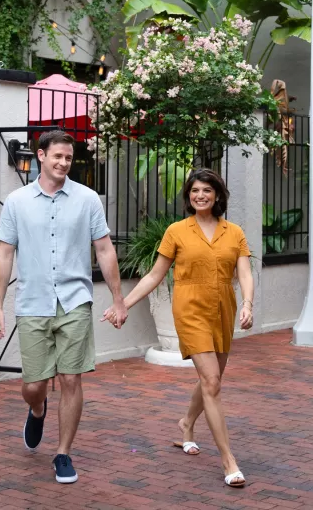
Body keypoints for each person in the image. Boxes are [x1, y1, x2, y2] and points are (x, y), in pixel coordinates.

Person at [103, 168, 254, 488]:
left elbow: (244, 271)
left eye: (207, 191)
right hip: (190, 312)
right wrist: (123, 304)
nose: (200, 195)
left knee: (211, 379)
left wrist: (248, 303)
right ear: (188, 196)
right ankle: (228, 459)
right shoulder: (177, 231)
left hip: (223, 311)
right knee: (211, 380)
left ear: (217, 195)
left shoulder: (234, 232)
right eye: (195, 191)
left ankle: (187, 423)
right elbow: (155, 275)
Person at [0, 130, 127, 485]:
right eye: (58, 157)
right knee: (34, 384)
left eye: (69, 158)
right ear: (41, 156)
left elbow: (104, 249)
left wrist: (118, 298)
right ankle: (37, 408)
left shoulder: (87, 200)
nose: (64, 163)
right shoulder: (18, 201)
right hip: (33, 303)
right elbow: (4, 254)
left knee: (70, 377)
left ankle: (63, 452)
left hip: (75, 301)